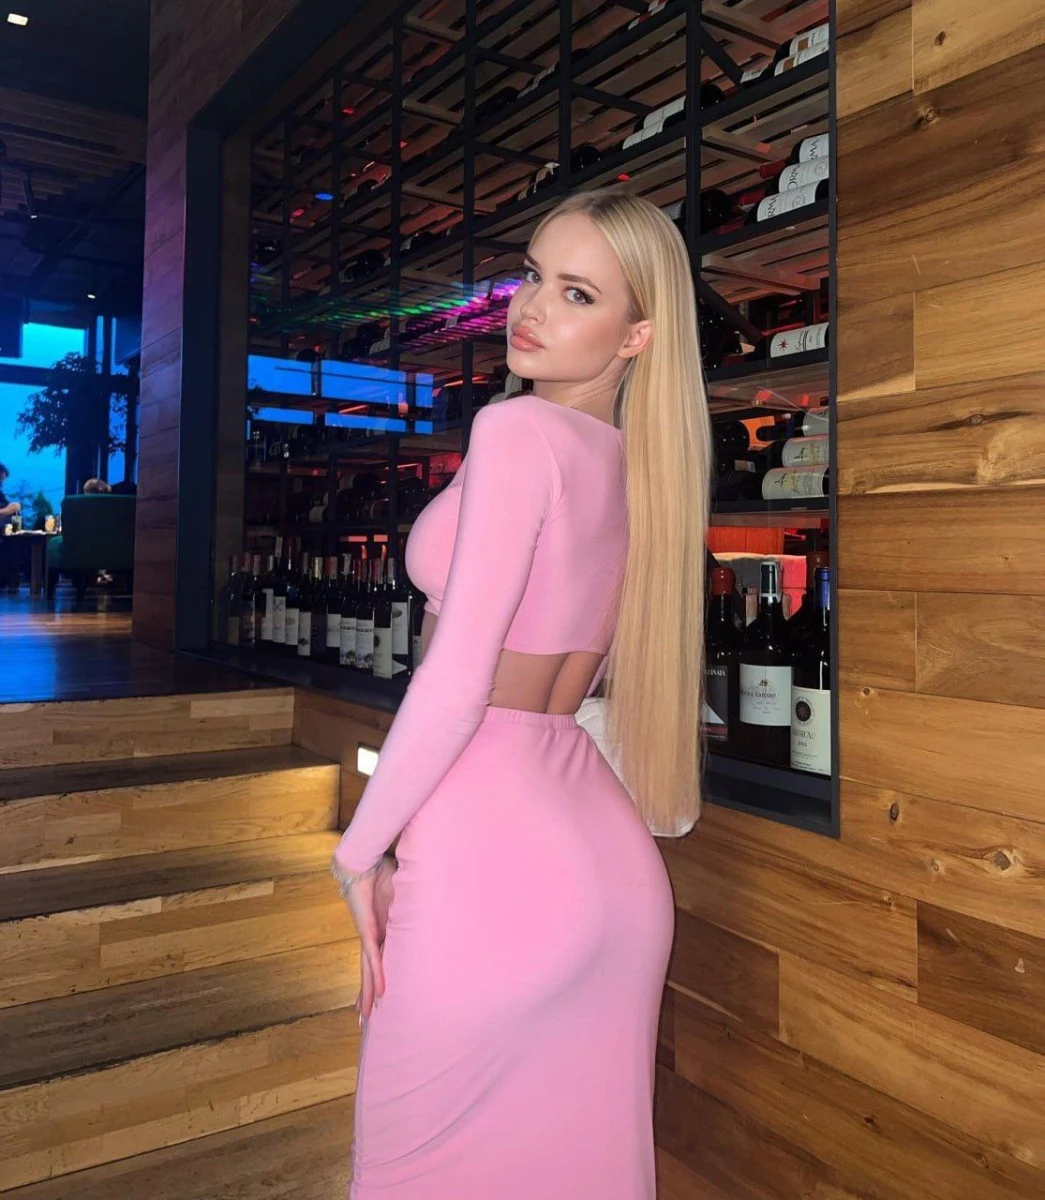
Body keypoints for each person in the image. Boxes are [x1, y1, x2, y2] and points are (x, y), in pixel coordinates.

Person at [331, 188, 710, 1199]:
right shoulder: (644, 467)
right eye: (533, 276)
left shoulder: (516, 432)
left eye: (576, 293)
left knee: (413, 1175)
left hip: (487, 858)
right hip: (610, 870)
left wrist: (357, 851)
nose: (531, 308)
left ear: (635, 336)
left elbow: (458, 680)